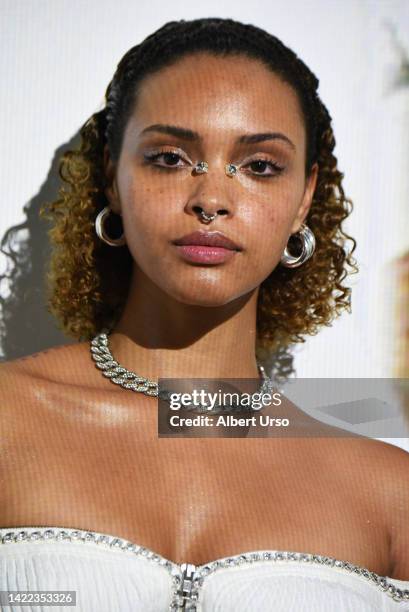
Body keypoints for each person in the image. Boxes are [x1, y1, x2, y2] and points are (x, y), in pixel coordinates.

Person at [0, 17, 408, 612]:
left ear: (303, 199)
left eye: (260, 166)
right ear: (113, 177)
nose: (211, 200)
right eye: (169, 157)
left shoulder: (389, 492)